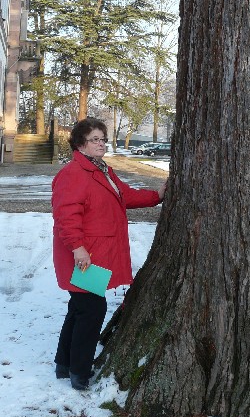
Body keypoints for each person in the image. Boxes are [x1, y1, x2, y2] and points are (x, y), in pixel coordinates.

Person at [52, 117, 168, 391]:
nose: (101, 144)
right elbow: (66, 217)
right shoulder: (73, 174)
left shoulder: (102, 169)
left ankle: (64, 364)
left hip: (95, 253)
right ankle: (79, 373)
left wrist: (157, 196)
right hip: (84, 256)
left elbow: (124, 195)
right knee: (92, 309)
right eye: (95, 139)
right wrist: (78, 249)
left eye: (103, 139)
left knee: (80, 309)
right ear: (80, 143)